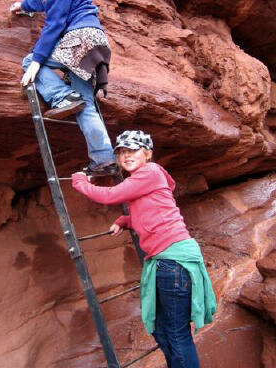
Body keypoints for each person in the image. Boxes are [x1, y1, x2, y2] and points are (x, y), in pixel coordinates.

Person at [72, 130, 217, 368]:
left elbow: (111, 195)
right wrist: (125, 220)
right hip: (167, 260)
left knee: (176, 334)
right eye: (121, 152)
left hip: (174, 261)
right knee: (161, 331)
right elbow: (154, 210)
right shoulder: (146, 178)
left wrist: (79, 182)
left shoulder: (149, 172)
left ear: (147, 153)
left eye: (132, 150)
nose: (126, 156)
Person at [10, 0, 116, 176]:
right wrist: (23, 6)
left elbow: (55, 24)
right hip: (95, 44)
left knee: (30, 60)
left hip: (80, 39)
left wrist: (37, 61)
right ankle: (104, 160)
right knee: (86, 105)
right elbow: (43, 0)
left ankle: (62, 96)